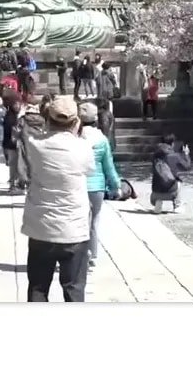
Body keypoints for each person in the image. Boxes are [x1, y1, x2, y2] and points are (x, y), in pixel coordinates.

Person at [19, 96, 95, 301]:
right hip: (74, 227)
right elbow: (89, 169)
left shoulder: (36, 145)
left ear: (48, 119)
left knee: (38, 286)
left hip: (41, 225)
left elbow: (30, 134)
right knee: (73, 288)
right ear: (76, 121)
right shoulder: (83, 147)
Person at [79, 101, 121, 269]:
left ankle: (79, 253)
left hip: (78, 184)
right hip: (96, 186)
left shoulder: (75, 137)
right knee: (94, 221)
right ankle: (92, 254)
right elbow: (108, 166)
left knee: (78, 221)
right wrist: (115, 185)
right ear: (95, 119)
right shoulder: (102, 139)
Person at [150, 133, 191, 213]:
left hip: (155, 194)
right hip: (171, 193)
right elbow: (187, 167)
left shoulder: (155, 156)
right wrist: (186, 155)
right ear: (172, 144)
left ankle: (158, 202)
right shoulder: (175, 156)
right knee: (178, 182)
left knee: (159, 178)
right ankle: (177, 206)